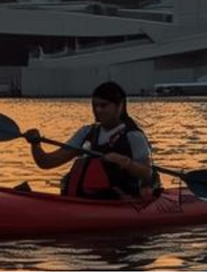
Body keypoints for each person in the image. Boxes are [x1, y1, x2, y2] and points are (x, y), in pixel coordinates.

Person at [22, 81, 161, 200]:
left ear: (120, 106)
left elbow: (147, 173)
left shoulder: (133, 135)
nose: (97, 110)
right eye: (94, 105)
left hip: (119, 202)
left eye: (103, 105)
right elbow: (47, 162)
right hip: (82, 202)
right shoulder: (86, 132)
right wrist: (35, 144)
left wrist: (125, 162)